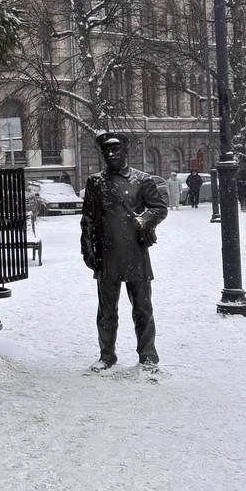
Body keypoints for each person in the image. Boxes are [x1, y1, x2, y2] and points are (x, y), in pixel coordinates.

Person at [81, 131, 168, 373]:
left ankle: (148, 356)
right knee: (107, 311)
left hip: (135, 252)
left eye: (116, 150)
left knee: (143, 310)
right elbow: (87, 220)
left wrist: (145, 219)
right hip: (107, 255)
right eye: (107, 151)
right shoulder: (95, 182)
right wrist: (88, 250)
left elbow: (160, 208)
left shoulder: (142, 180)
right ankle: (106, 356)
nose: (112, 155)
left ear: (125, 152)